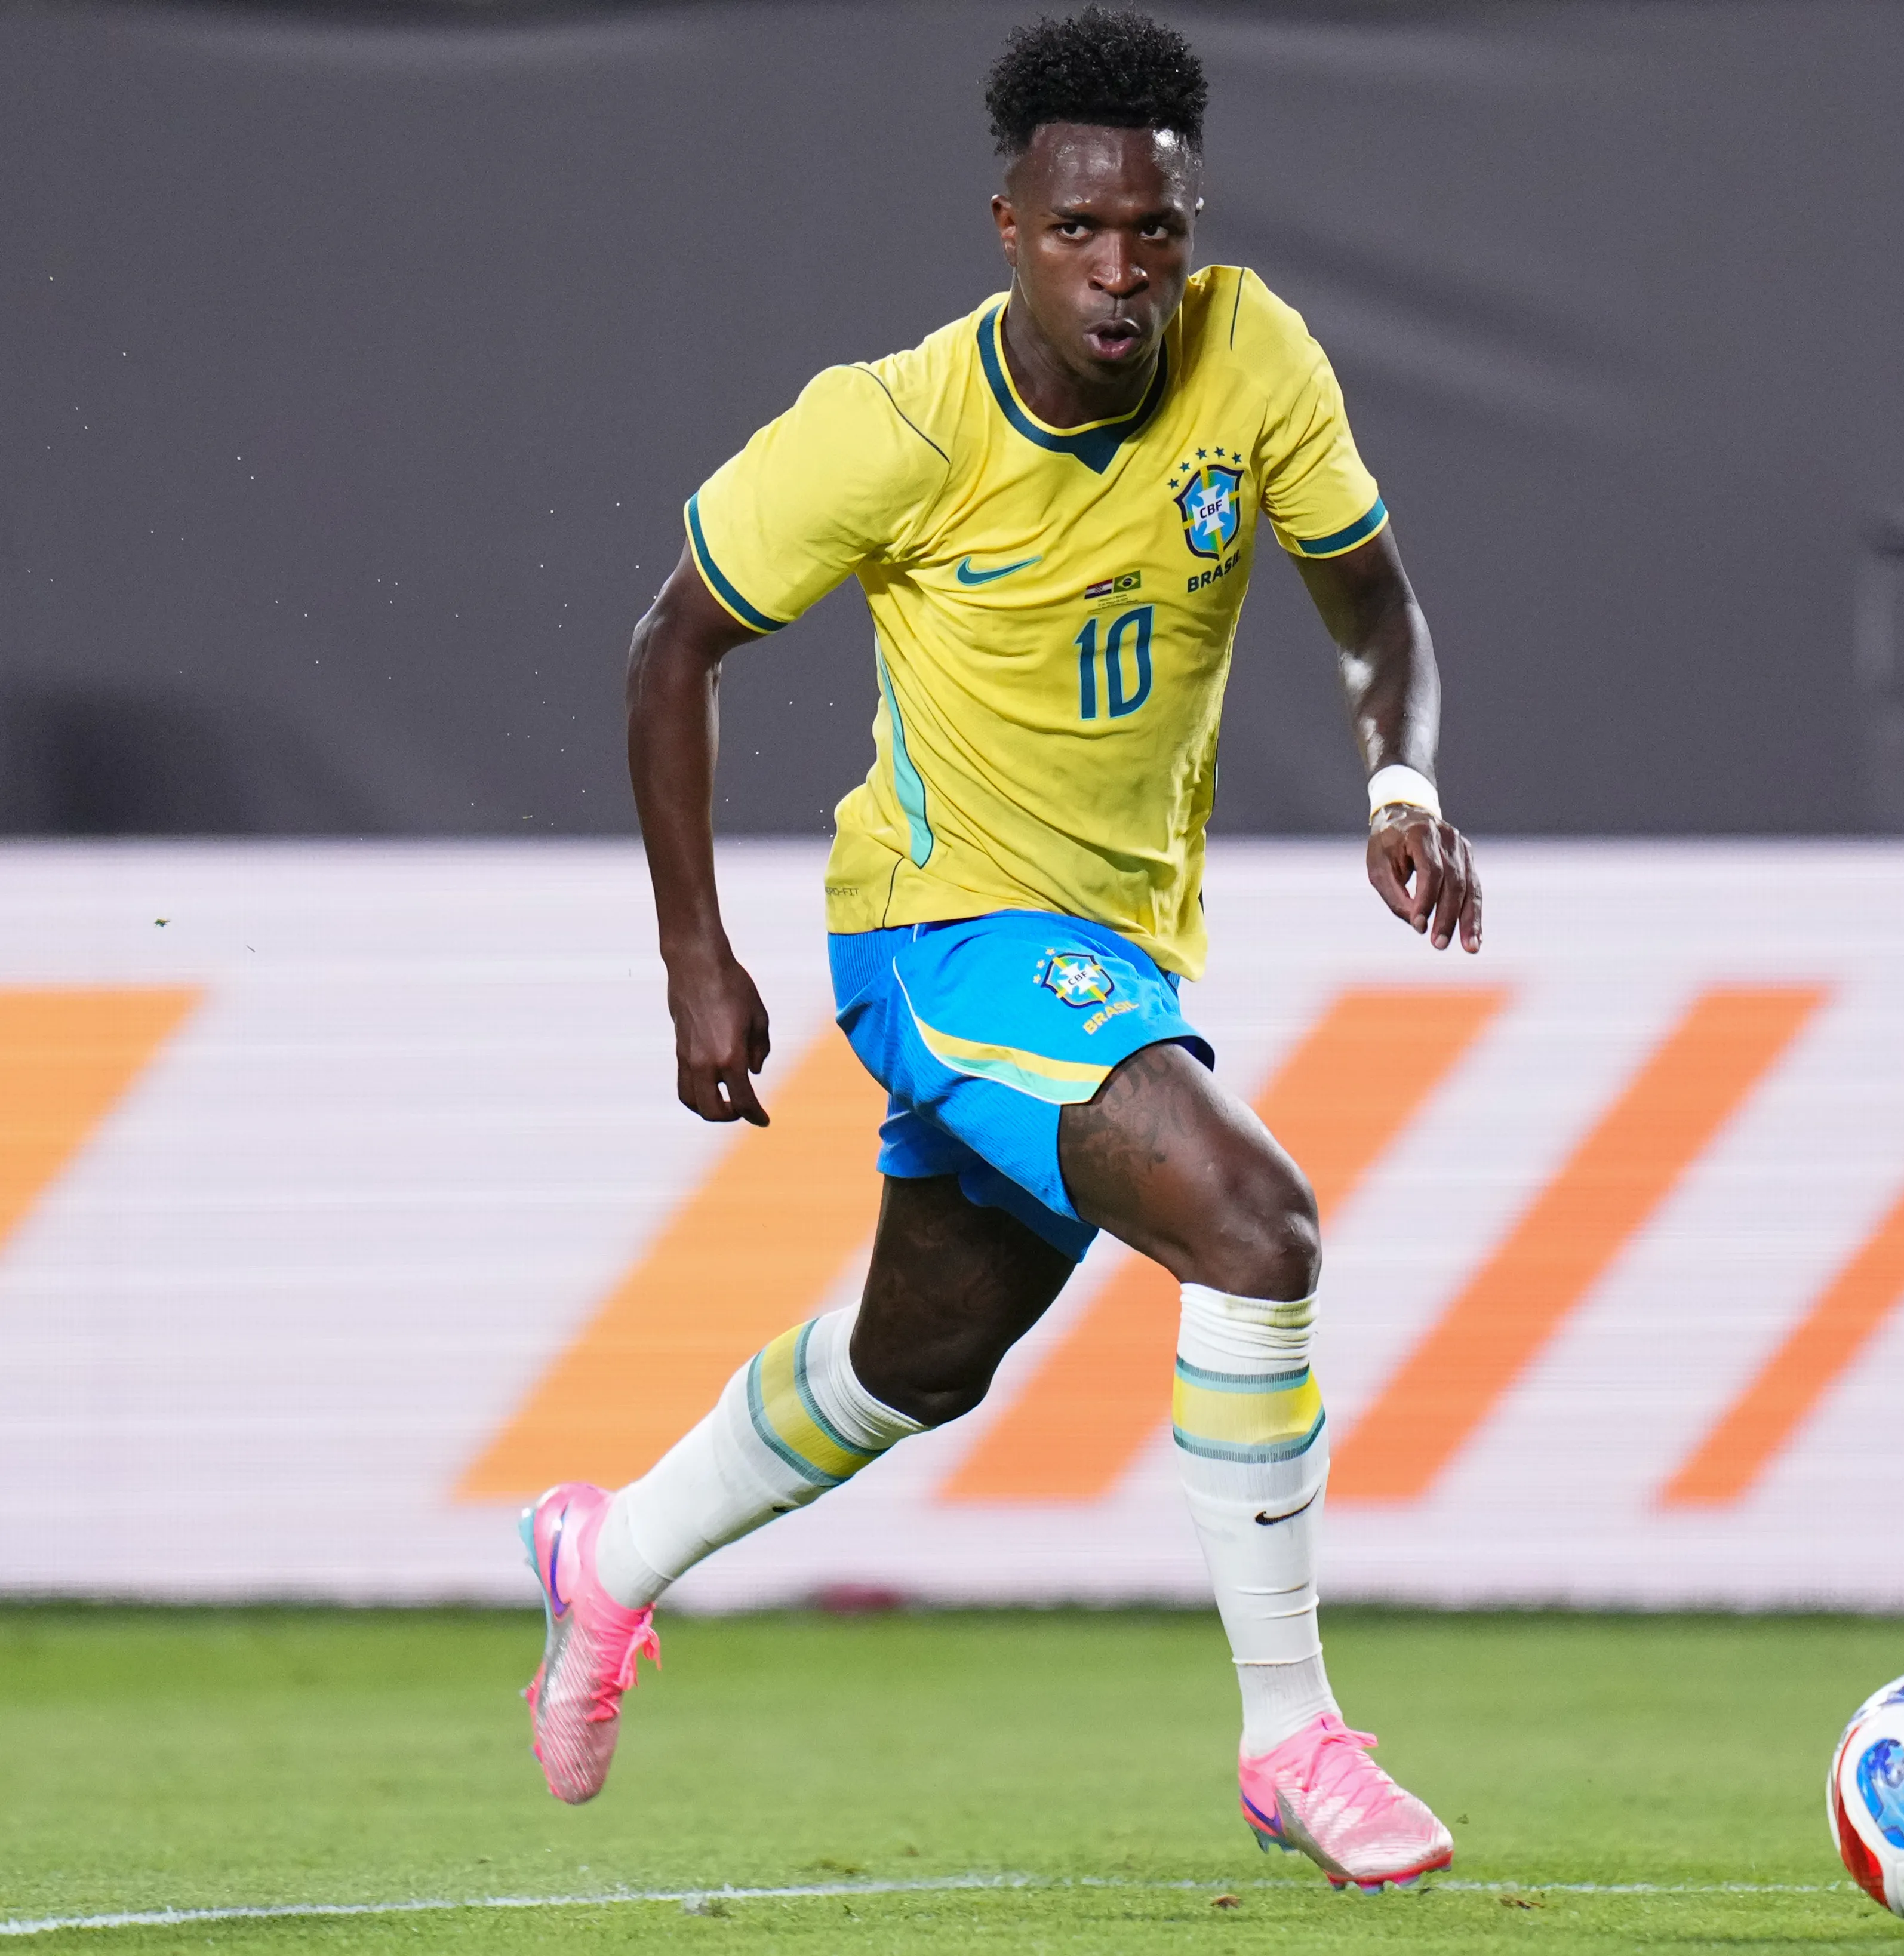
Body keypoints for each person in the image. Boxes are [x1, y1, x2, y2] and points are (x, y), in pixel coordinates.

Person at [516, 7, 1480, 1893]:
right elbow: (670, 649)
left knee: (915, 1361)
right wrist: (694, 957)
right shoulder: (887, 429)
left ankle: (604, 1558)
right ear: (1008, 228)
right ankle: (1292, 1731)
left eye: (1155, 234)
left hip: (1116, 955)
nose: (1123, 273)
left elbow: (1376, 605)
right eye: (1079, 232)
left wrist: (1402, 784)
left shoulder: (1254, 351)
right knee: (1257, 1223)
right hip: (940, 933)